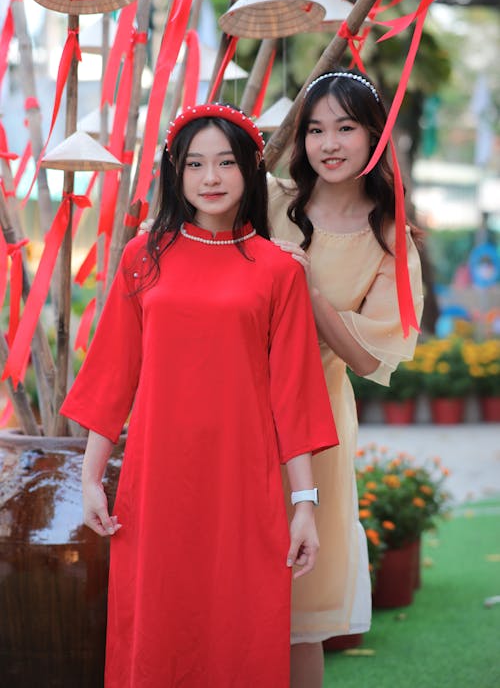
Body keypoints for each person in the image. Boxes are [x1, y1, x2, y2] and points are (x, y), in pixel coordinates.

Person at [60, 103, 339, 688]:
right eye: (195, 164)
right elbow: (113, 376)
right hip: (156, 485)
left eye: (225, 163)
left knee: (242, 629)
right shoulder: (143, 259)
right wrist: (89, 480)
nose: (211, 178)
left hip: (245, 484)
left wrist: (305, 507)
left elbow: (294, 399)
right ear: (175, 173)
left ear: (250, 171)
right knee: (157, 626)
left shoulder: (279, 270)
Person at [267, 68, 424, 688]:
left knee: (297, 607)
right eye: (314, 129)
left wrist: (303, 285)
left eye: (346, 127)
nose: (328, 143)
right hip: (232, 404)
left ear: (374, 137)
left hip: (315, 420)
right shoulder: (271, 200)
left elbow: (367, 356)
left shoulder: (390, 240)